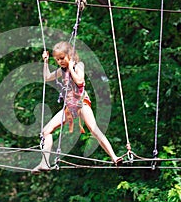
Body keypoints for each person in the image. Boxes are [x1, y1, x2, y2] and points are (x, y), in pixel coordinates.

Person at [31, 41, 122, 174]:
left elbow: (80, 81)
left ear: (70, 55)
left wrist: (72, 68)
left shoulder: (79, 65)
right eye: (57, 60)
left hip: (81, 103)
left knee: (94, 129)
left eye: (62, 58)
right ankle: (44, 163)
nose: (60, 62)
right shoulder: (61, 71)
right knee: (46, 131)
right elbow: (47, 77)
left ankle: (114, 157)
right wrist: (45, 62)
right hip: (69, 107)